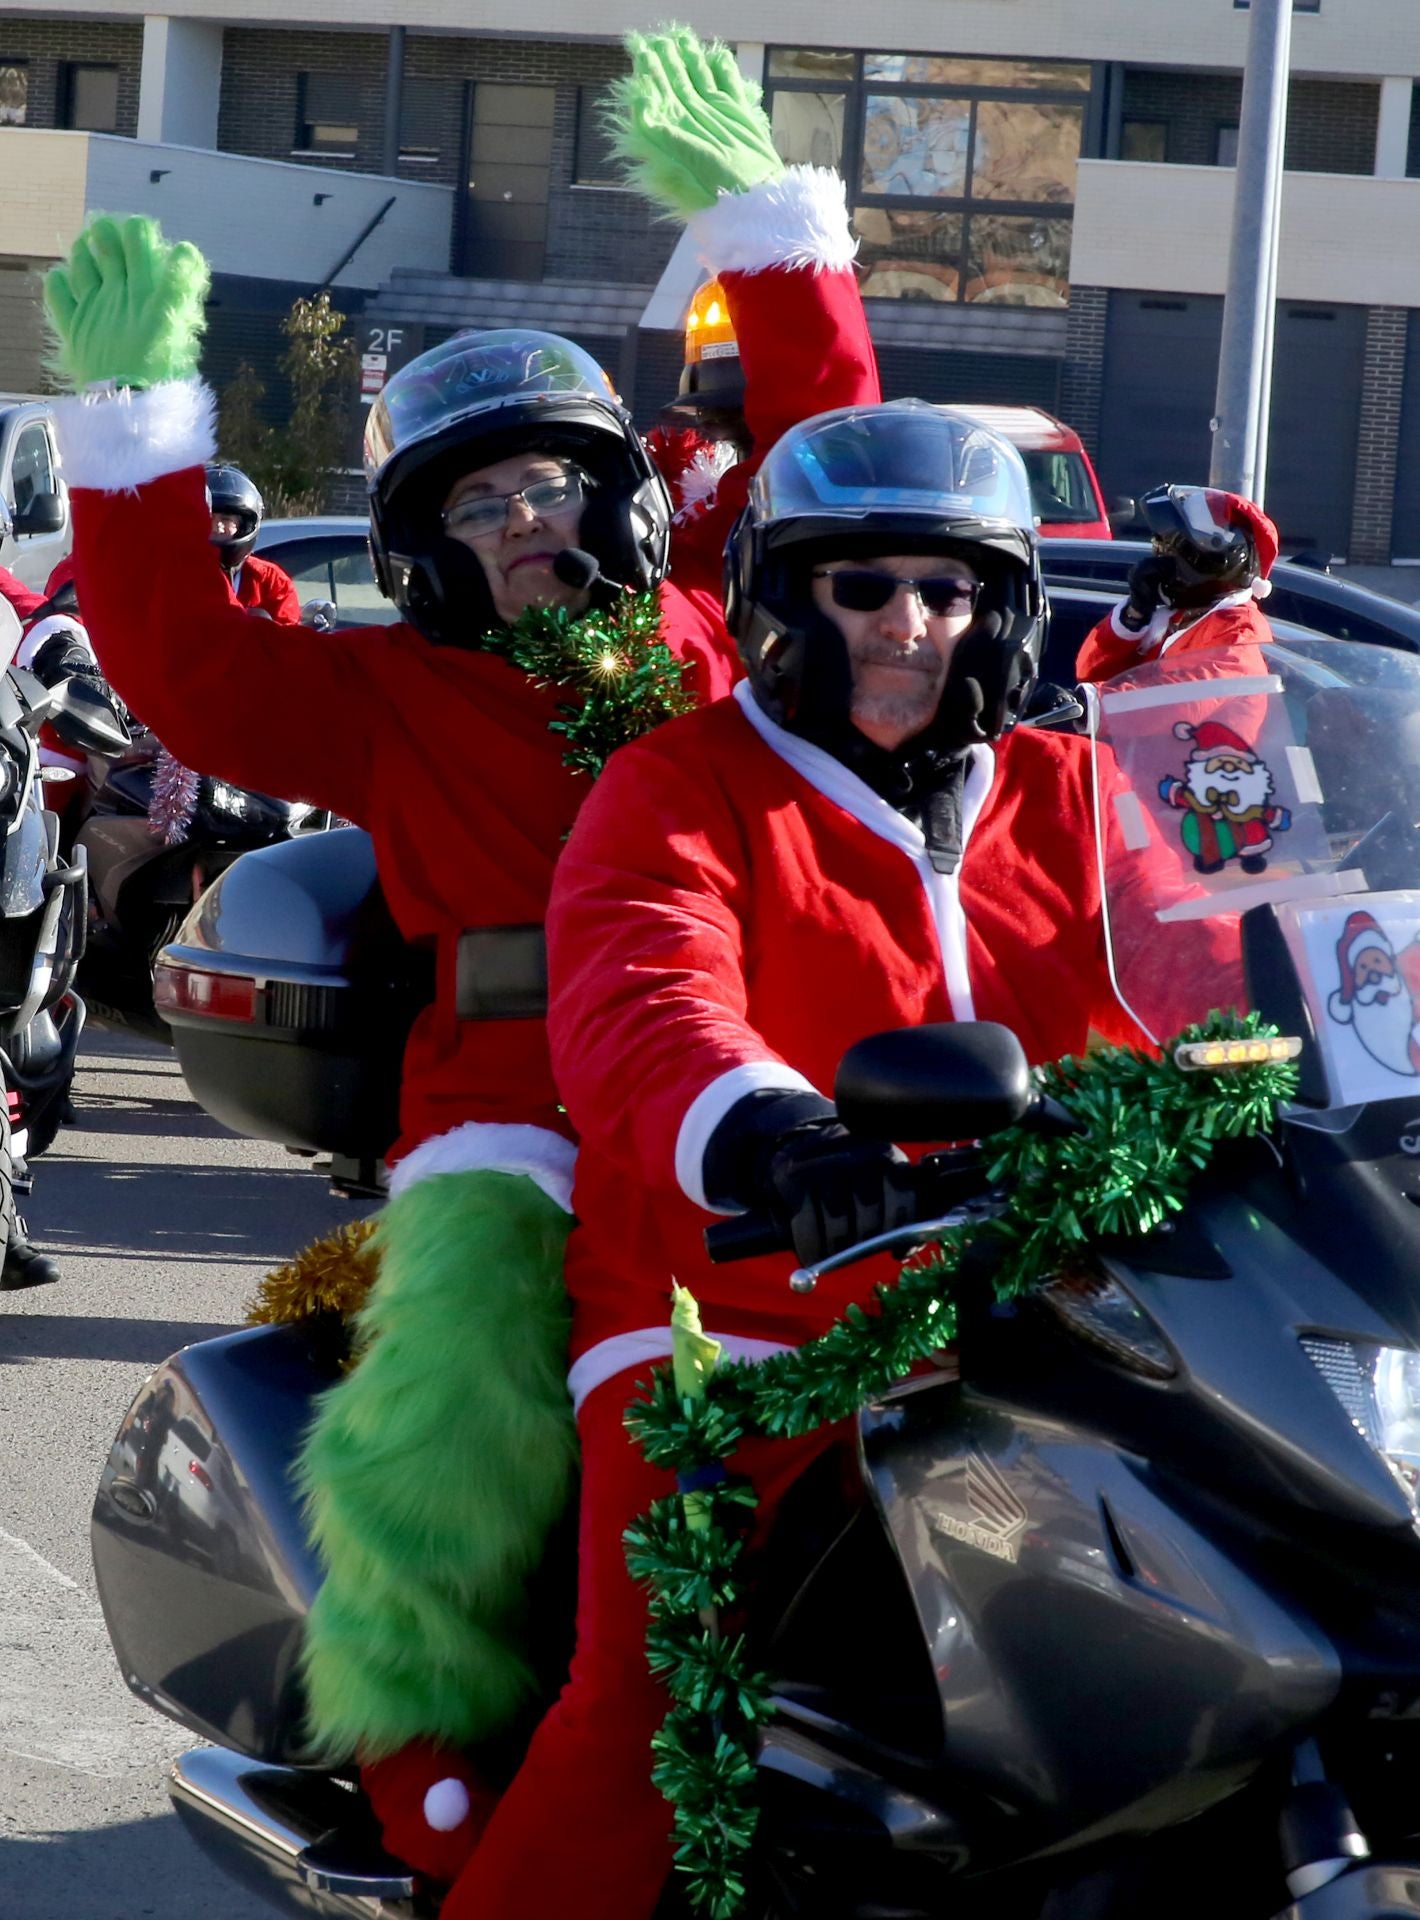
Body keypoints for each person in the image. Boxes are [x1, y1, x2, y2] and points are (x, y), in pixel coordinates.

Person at [41, 25, 879, 1896]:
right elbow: (181, 661)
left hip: (758, 1092)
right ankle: (439, 1810)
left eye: (559, 487)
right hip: (515, 1116)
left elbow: (835, 454)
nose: (530, 526)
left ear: (631, 496)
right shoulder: (383, 696)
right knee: (454, 1427)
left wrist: (768, 237)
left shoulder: (716, 627)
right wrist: (136, 423)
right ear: (424, 551)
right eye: (483, 506)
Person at [541, 401, 1156, 1920]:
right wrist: (771, 1129)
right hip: (738, 1314)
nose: (909, 624)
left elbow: (1217, 961)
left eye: (947, 591)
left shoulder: (1076, 798)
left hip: (1058, 1313)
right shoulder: (683, 785)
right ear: (782, 599)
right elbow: (644, 990)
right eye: (863, 586)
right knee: (658, 1694)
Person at [1076, 482, 1277, 685]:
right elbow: (1090, 671)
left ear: (1205, 561)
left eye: (1166, 551)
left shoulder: (1240, 632)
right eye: (1157, 548)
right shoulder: (1182, 617)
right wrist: (1135, 614)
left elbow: (1177, 699)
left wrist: (1091, 703)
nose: (1157, 561)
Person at [205, 463, 301, 621]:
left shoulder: (270, 581)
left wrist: (259, 625)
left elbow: (289, 638)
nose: (217, 527)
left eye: (226, 519)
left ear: (244, 525)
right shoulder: (174, 573)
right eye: (209, 518)